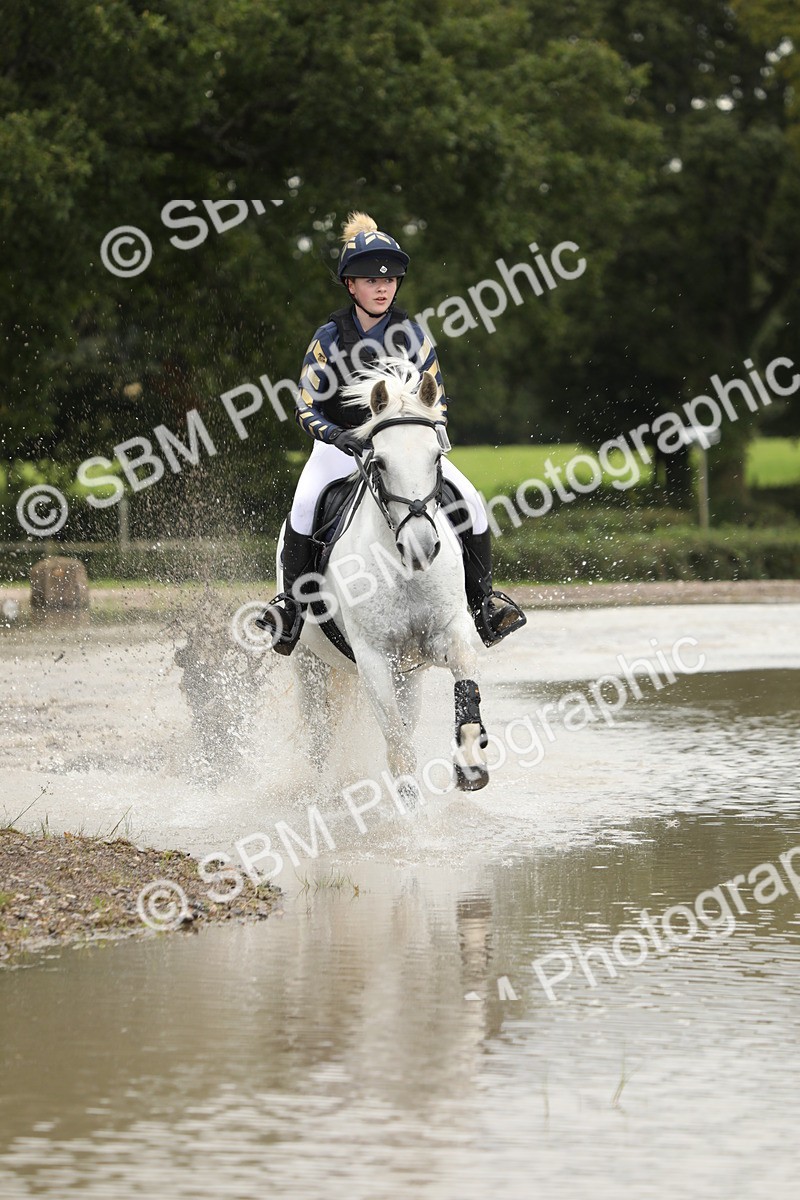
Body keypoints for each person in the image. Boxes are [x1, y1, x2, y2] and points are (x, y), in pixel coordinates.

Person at [258, 212, 526, 655]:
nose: (382, 287)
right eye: (369, 279)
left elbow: (436, 400)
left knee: (473, 502)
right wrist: (338, 437)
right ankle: (290, 609)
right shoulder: (329, 338)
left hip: (404, 449)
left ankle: (484, 605)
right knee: (304, 506)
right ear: (351, 286)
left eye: (390, 279)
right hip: (341, 447)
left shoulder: (413, 335)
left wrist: (423, 433)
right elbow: (305, 406)